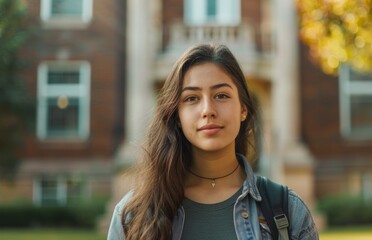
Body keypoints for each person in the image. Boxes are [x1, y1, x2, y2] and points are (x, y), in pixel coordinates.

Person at [107, 44, 319, 240]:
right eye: (191, 98)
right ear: (177, 116)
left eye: (221, 95)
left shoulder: (288, 210)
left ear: (243, 108)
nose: (208, 110)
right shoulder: (133, 215)